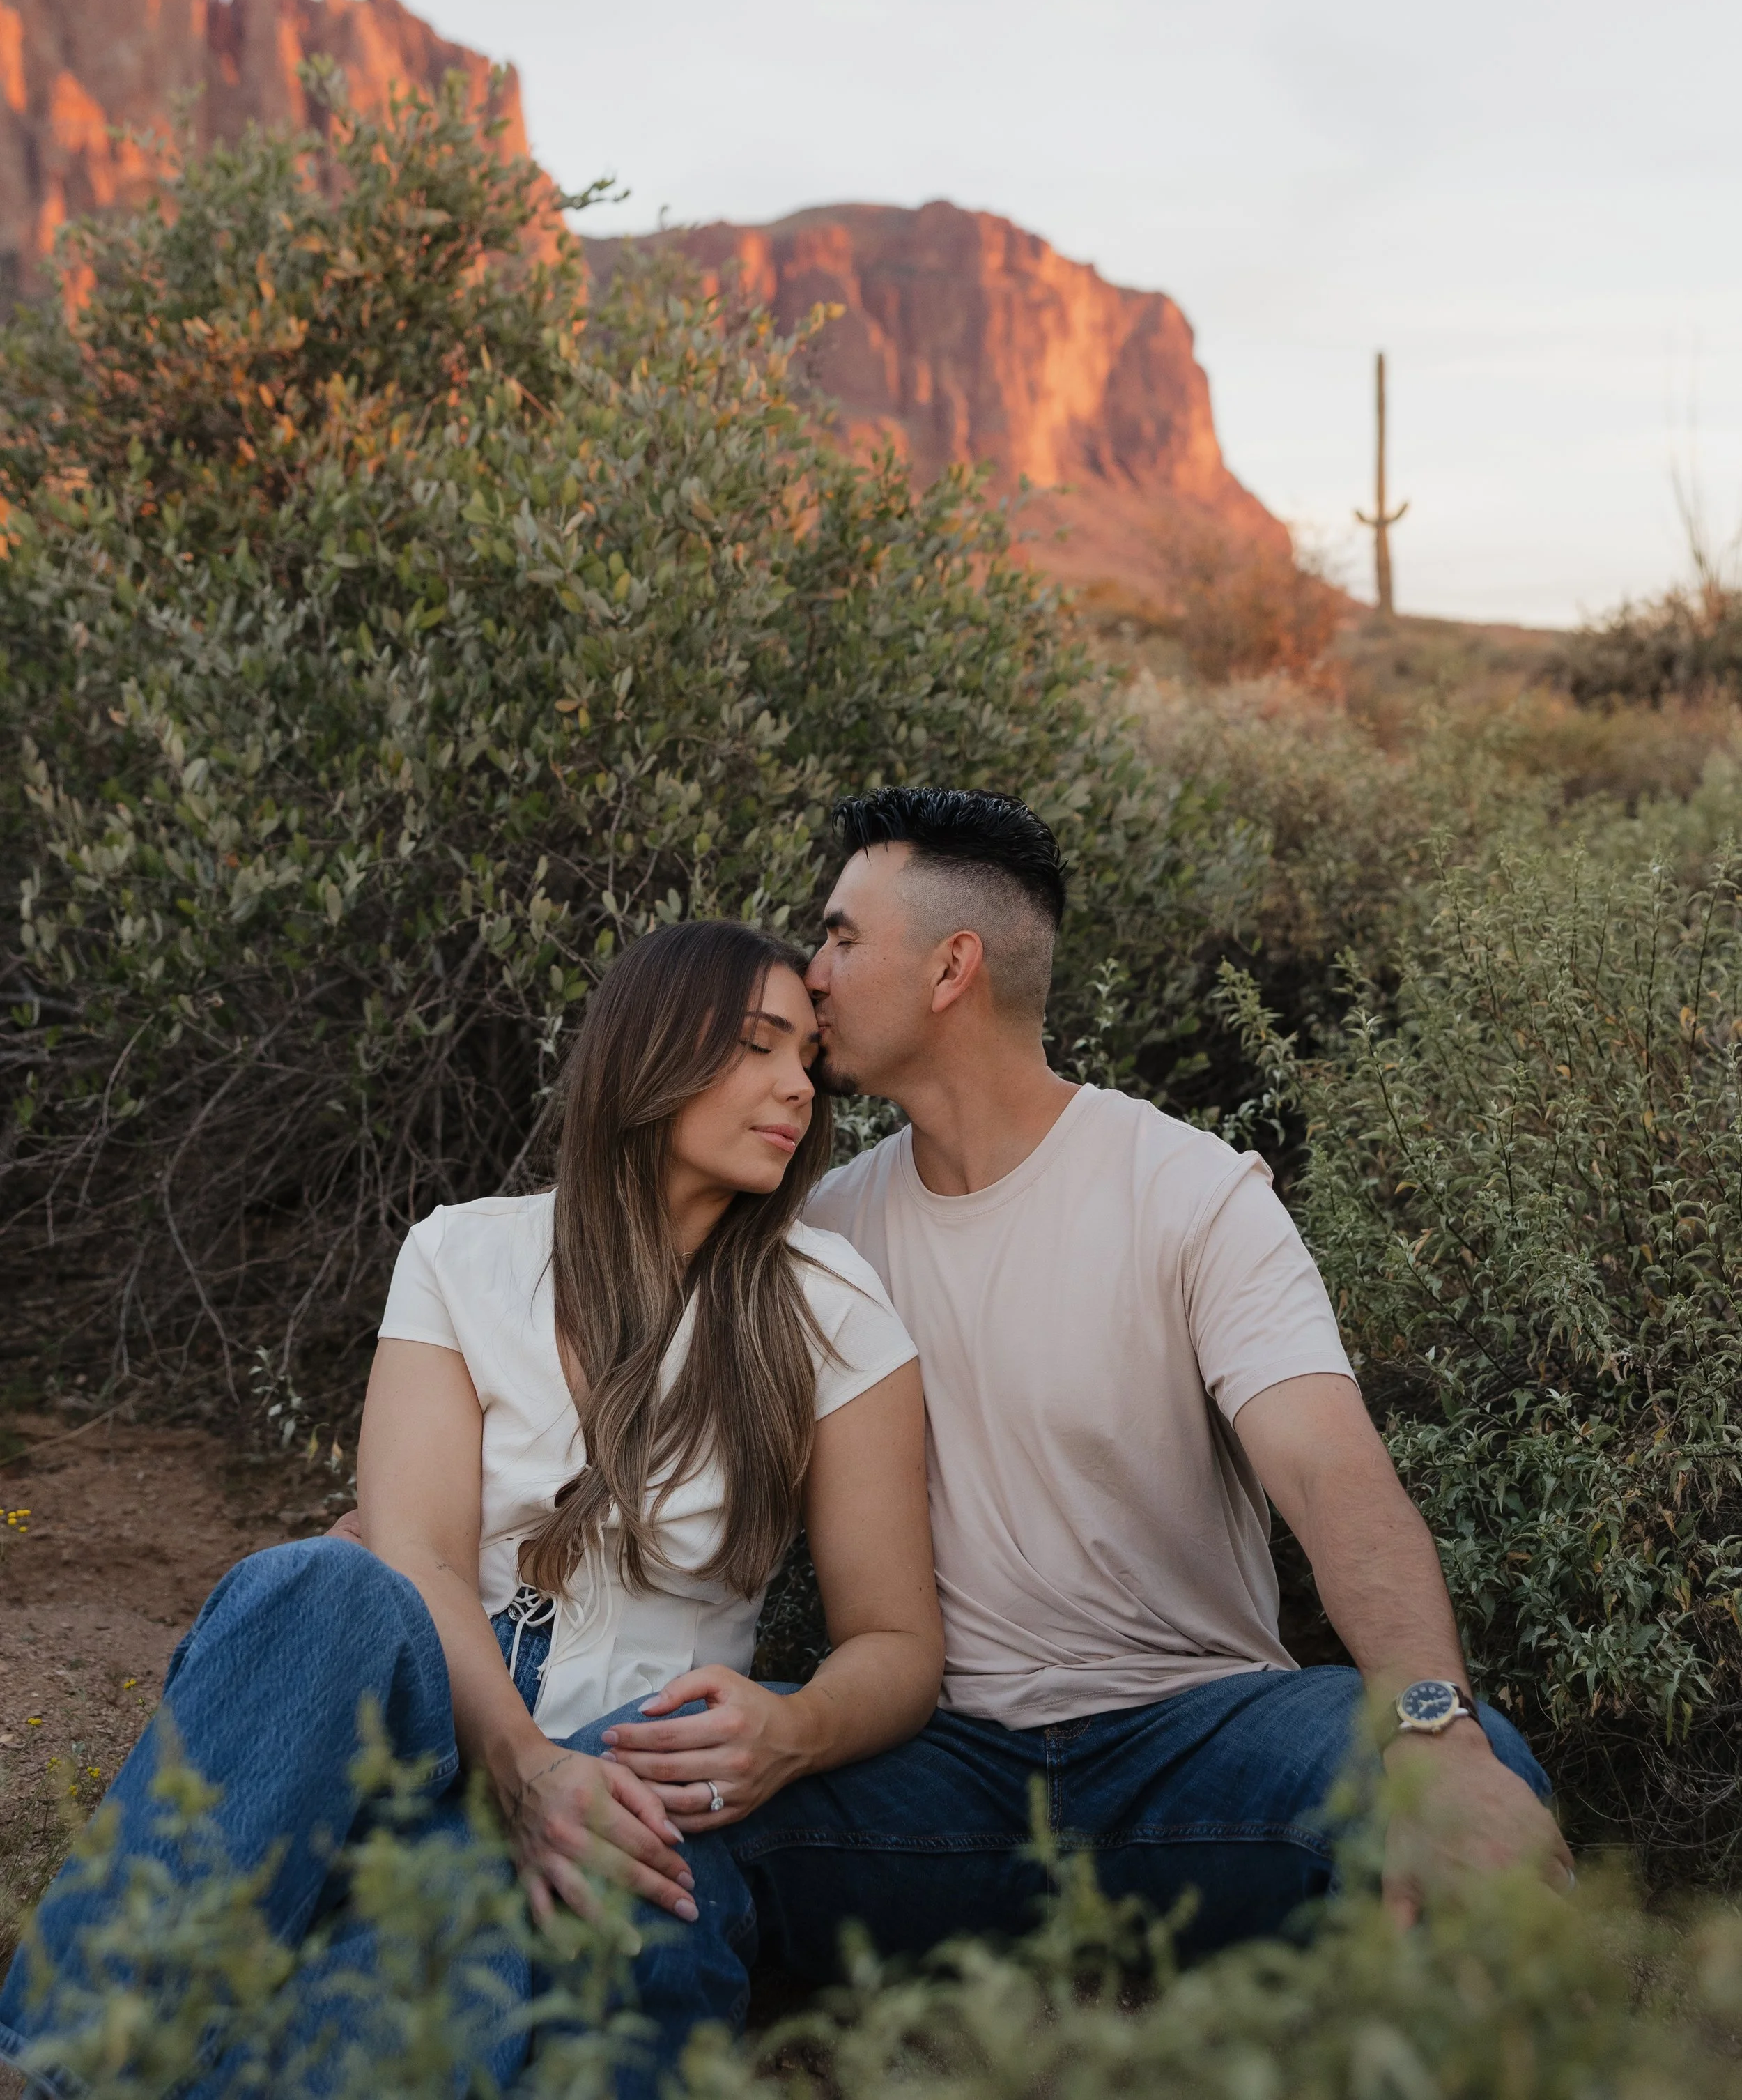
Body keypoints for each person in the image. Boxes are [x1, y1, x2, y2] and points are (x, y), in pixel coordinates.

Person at [606, 788, 1573, 1991]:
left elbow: (1332, 1474)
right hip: (937, 1770)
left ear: (953, 966)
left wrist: (1435, 1726)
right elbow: (629, 1404)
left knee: (1469, 1781)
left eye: (845, 936)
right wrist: (405, 1524)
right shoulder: (826, 1230)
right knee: (645, 1805)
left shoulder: (1190, 1193)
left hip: (1200, 1750)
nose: (814, 971)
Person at [0, 920, 941, 2097]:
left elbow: (900, 1646)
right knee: (326, 1578)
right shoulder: (462, 1255)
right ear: (649, 1049)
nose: (797, 1085)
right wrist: (520, 1761)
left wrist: (791, 1728)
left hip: (618, 1751)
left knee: (459, 1910)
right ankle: (58, 2072)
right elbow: (422, 1557)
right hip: (426, 1705)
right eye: (759, 1045)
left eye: (807, 1054)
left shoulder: (830, 1308)